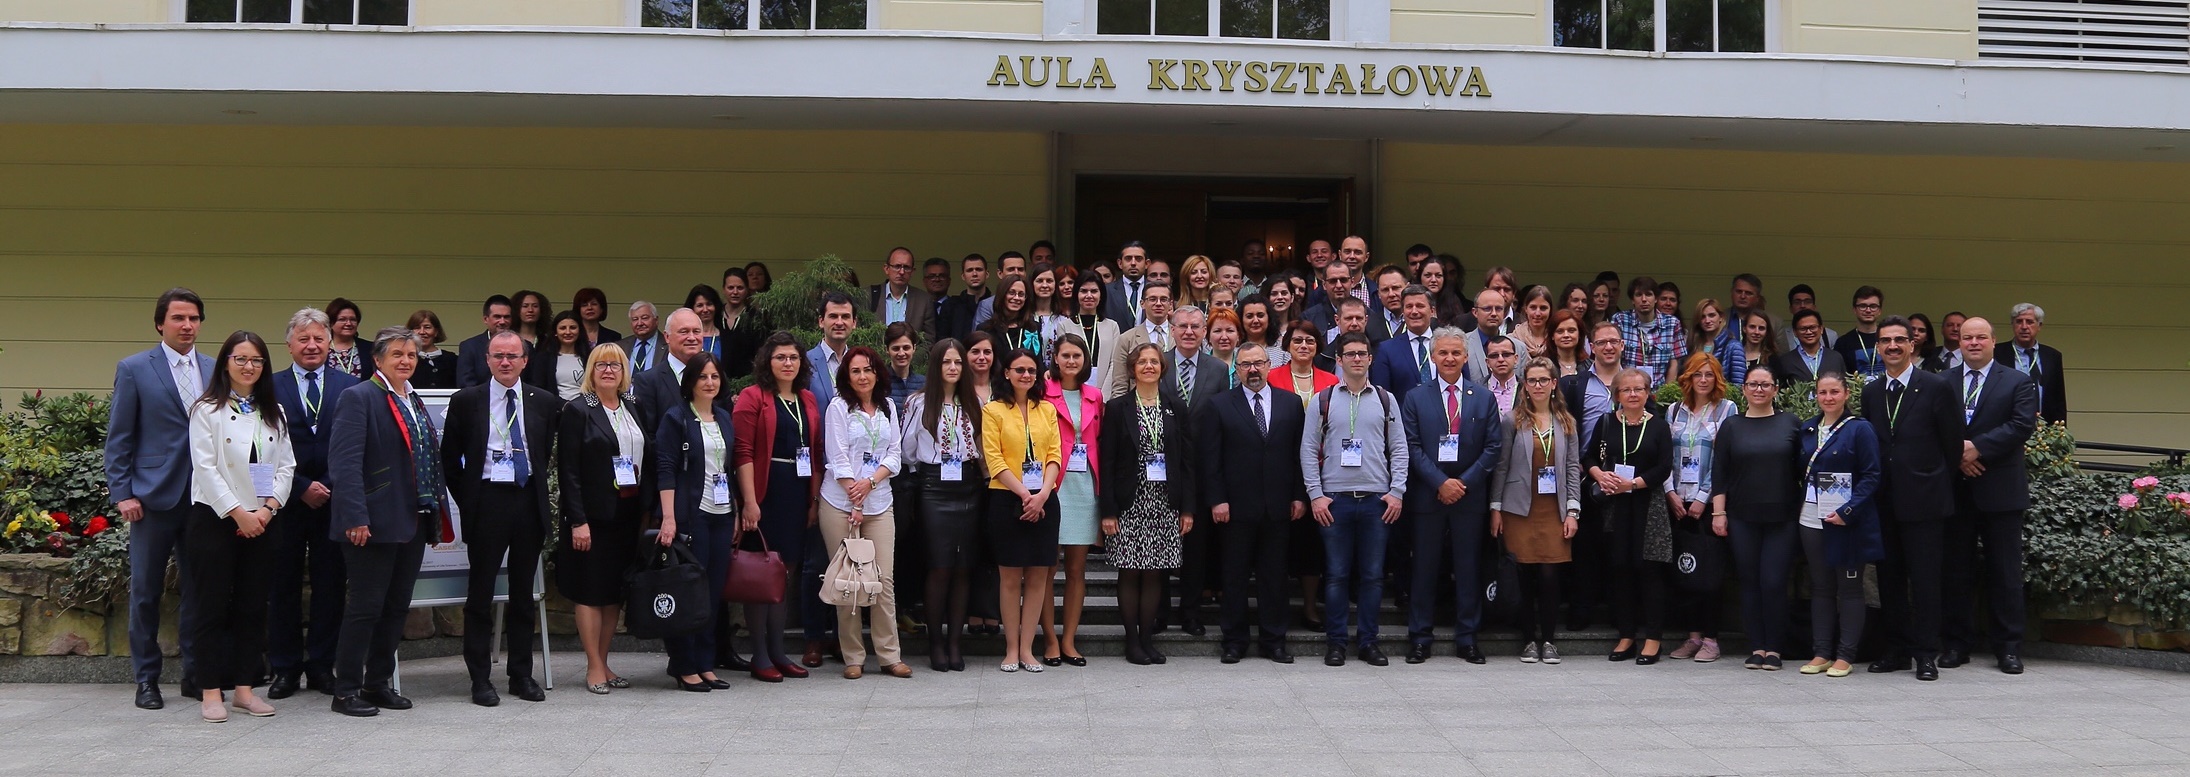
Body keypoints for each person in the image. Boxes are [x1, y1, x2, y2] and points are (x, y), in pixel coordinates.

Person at [326, 327, 445, 717]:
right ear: (377, 360)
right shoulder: (358, 397)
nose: (406, 361)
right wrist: (355, 517)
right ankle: (345, 690)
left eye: (411, 355)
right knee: (365, 608)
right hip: (371, 524)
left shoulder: (413, 399)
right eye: (397, 355)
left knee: (396, 608)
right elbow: (344, 464)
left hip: (410, 520)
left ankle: (377, 684)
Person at [438, 331, 556, 706]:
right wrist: (470, 503)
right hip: (487, 502)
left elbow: (546, 454)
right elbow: (449, 461)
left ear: (525, 361)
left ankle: (521, 675)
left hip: (527, 501)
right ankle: (479, 679)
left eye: (513, 356)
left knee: (523, 595)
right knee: (481, 594)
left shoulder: (544, 402)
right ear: (487, 360)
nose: (506, 362)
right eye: (498, 355)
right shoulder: (466, 401)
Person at [108, 288, 213, 711]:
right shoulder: (135, 368)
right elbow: (120, 437)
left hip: (204, 498)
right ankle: (147, 680)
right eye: (178, 318)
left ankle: (194, 674)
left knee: (199, 591)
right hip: (151, 499)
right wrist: (123, 493)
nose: (187, 325)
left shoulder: (214, 367)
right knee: (147, 592)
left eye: (193, 318)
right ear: (160, 324)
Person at [182, 330, 294, 723]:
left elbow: (285, 466)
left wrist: (268, 509)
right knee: (211, 607)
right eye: (241, 358)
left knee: (252, 606)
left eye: (257, 360)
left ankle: (245, 689)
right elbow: (205, 467)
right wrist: (238, 513)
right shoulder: (206, 410)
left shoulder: (272, 411)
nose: (249, 367)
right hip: (216, 519)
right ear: (225, 362)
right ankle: (211, 690)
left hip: (262, 520)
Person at [1864, 316, 1965, 682]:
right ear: (1877, 347)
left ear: (1912, 345)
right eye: (1885, 340)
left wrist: (1932, 480)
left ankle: (1925, 653)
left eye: (1899, 340)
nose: (1892, 346)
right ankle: (1897, 649)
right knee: (1889, 580)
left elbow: (1953, 446)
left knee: (1924, 581)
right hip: (1883, 501)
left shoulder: (1936, 387)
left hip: (1924, 501)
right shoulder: (1872, 391)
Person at [1301, 332, 1408, 667]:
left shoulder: (1387, 400)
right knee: (1335, 575)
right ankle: (1336, 643)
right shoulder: (1324, 399)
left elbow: (1400, 449)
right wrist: (1316, 495)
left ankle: (1368, 642)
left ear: (1370, 359)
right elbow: (1307, 450)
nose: (1357, 359)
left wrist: (1397, 492)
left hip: (1377, 500)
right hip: (1335, 501)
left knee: (1373, 575)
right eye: (1351, 354)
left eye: (1363, 353)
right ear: (1339, 359)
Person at [265, 309, 357, 700]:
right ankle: (285, 669)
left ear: (329, 342)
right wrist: (301, 485)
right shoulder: (269, 387)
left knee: (330, 586)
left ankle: (322, 665)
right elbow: (262, 449)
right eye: (303, 339)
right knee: (281, 585)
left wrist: (330, 485)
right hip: (284, 501)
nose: (312, 346)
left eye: (319, 338)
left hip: (334, 502)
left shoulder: (351, 386)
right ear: (289, 345)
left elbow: (357, 445)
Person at [1193, 343, 1304, 664]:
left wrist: (1299, 495)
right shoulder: (1219, 405)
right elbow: (1210, 459)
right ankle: (1234, 641)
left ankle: (1274, 641)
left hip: (1279, 506)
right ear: (1236, 370)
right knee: (1234, 576)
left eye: (1258, 363)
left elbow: (1299, 455)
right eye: (1245, 365)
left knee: (1274, 577)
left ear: (1269, 365)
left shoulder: (1291, 403)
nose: (1252, 370)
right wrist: (1217, 500)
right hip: (1235, 508)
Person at [1400, 327, 1502, 665]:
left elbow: (1492, 447)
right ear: (1433, 355)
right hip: (1429, 497)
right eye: (1443, 352)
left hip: (1469, 498)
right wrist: (1440, 482)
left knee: (1468, 568)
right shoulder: (1415, 396)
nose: (1449, 358)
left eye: (1456, 353)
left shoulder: (1482, 396)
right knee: (1424, 569)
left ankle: (1468, 638)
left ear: (1465, 356)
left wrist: (1463, 483)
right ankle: (1419, 637)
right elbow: (1411, 447)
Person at [1944, 317, 2039, 674]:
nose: (1972, 343)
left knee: (2004, 572)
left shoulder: (2018, 381)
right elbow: (1931, 425)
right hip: (1956, 490)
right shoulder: (1943, 382)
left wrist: (1977, 449)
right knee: (1955, 571)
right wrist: (1959, 456)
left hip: (2000, 491)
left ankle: (2008, 648)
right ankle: (1956, 644)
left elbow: (2020, 425)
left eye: (1980, 337)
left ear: (1993, 342)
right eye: (1966, 337)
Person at [556, 345, 653, 693]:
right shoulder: (578, 410)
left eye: (615, 365)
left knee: (613, 593)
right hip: (593, 517)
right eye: (601, 365)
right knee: (590, 592)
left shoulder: (634, 407)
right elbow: (568, 471)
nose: (608, 370)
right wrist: (577, 520)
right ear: (591, 372)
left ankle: (606, 661)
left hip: (627, 515)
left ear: (624, 371)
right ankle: (593, 666)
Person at [733, 333, 825, 682]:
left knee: (783, 574)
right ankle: (759, 655)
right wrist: (750, 503)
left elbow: (815, 453)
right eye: (780, 357)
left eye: (794, 357)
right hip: (765, 492)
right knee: (761, 574)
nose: (788, 363)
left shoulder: (808, 400)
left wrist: (813, 500)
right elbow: (741, 452)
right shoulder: (752, 397)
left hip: (797, 492)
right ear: (766, 362)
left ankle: (778, 651)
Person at [816, 347, 913, 680]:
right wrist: (855, 500)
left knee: (883, 580)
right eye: (855, 371)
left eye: (868, 370)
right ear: (847, 375)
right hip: (840, 504)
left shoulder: (887, 407)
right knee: (849, 582)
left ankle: (889, 656)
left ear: (877, 373)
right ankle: (853, 656)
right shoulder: (838, 407)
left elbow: (895, 455)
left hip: (879, 502)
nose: (862, 376)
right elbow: (837, 457)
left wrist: (871, 482)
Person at [1097, 343, 1193, 665]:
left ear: (1162, 368)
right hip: (1130, 502)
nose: (1149, 366)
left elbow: (1186, 462)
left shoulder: (1175, 407)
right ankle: (1132, 641)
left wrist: (1187, 508)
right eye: (1143, 361)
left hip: (1164, 502)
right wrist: (1108, 510)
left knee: (1155, 573)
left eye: (1155, 361)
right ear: (1132, 368)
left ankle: (1147, 638)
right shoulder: (1118, 407)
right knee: (1130, 572)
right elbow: (1107, 461)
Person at [655, 353, 739, 691]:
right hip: (692, 517)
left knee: (713, 593)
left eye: (715, 376)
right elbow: (665, 470)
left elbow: (728, 467)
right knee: (688, 591)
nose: (709, 382)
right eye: (702, 377)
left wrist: (735, 510)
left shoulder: (724, 417)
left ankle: (705, 662)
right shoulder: (675, 418)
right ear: (689, 382)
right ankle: (683, 664)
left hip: (722, 515)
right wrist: (669, 518)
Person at [1491, 358, 1583, 664]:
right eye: (1532, 381)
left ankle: (1549, 641)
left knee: (1549, 576)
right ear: (1524, 386)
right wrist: (1496, 508)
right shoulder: (1512, 420)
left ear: (1554, 383)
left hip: (1553, 509)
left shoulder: (1566, 421)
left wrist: (1573, 511)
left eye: (1544, 380)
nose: (1538, 386)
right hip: (1519, 508)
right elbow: (1501, 467)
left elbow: (1572, 469)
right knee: (1525, 576)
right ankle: (1528, 639)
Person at [1795, 372, 1886, 677]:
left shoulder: (1860, 429)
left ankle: (1845, 655)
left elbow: (1872, 475)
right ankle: (1821, 652)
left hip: (1847, 520)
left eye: (1835, 392)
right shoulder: (1807, 428)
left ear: (1847, 394)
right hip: (1811, 516)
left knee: (1849, 588)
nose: (1828, 398)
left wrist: (1848, 510)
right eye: (1823, 392)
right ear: (1816, 396)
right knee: (1820, 586)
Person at [1584, 368, 1675, 665]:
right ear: (1617, 394)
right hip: (1614, 505)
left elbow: (1664, 467)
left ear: (1648, 393)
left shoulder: (1659, 426)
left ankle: (1652, 638)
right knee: (1620, 568)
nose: (1633, 394)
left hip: (1647, 503)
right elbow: (1588, 457)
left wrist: (1633, 483)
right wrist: (1598, 474)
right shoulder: (1607, 422)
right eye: (1627, 390)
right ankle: (1626, 635)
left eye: (1639, 389)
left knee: (1648, 569)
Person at [902, 339, 982, 671]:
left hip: (968, 485)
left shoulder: (974, 401)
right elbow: (907, 450)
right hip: (934, 487)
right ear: (936, 366)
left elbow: (980, 444)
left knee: (963, 567)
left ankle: (954, 641)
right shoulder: (918, 403)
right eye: (947, 362)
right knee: (939, 566)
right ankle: (935, 642)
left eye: (958, 363)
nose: (952, 368)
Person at [982, 349, 1063, 672]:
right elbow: (994, 458)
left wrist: (1042, 494)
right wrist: (1024, 495)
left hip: (1044, 500)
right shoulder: (993, 410)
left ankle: (1028, 648)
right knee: (1011, 578)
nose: (1026, 375)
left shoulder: (1046, 409)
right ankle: (1011, 648)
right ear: (1007, 373)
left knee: (1038, 577)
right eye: (1020, 370)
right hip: (1007, 499)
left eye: (1032, 370)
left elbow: (1056, 454)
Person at [1663, 354, 1740, 664]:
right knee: (1685, 568)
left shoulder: (1727, 410)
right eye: (1698, 375)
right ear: (1688, 379)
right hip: (1677, 501)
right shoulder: (1673, 410)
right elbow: (1665, 455)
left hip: (1709, 504)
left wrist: (1703, 497)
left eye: (1709, 374)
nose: (1704, 380)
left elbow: (1724, 459)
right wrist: (1670, 492)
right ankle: (1692, 636)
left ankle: (1711, 638)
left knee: (1710, 575)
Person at [1557, 321, 1625, 629]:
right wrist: (1589, 470)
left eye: (1614, 341)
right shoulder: (1575, 384)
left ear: (1622, 345)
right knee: (1585, 548)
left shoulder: (1636, 382)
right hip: (1587, 475)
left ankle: (1618, 614)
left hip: (1627, 480)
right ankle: (1581, 612)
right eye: (1602, 342)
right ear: (1592, 348)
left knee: (1620, 548)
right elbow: (1568, 429)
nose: (1608, 347)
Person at [1039, 335, 1102, 667]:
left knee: (1077, 569)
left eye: (1077, 355)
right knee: (1048, 568)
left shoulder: (1095, 396)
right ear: (1056, 358)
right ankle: (1049, 640)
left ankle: (1069, 640)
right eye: (1065, 355)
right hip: (1053, 484)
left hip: (1084, 485)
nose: (1071, 361)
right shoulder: (1043, 394)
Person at [1103, 282, 1175, 399]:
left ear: (1170, 305)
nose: (1158, 304)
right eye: (1152, 299)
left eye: (1163, 299)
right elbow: (1120, 385)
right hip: (1138, 405)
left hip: (1173, 406)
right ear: (1142, 303)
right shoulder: (1127, 339)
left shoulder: (1180, 336)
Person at [1611, 278, 1686, 387]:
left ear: (1656, 299)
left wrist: (1666, 394)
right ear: (1632, 300)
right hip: (1628, 390)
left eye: (1648, 294)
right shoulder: (1621, 320)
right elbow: (1614, 358)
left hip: (1658, 392)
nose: (1644, 299)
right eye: (1638, 295)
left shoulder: (1672, 323)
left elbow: (1673, 364)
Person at [2000, 303, 2066, 424]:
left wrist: (2060, 434)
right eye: (2019, 321)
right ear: (2012, 325)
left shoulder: (2052, 356)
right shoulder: (1997, 354)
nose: (2024, 327)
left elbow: (2059, 400)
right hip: (2006, 428)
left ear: (2039, 326)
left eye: (2030, 322)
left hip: (2044, 430)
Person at [1371, 286, 1438, 397]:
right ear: (1403, 311)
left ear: (1432, 311)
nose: (1414, 311)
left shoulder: (1447, 345)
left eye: (1420, 306)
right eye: (1409, 307)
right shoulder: (1387, 350)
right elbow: (1382, 395)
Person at [1054, 276, 1119, 390]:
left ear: (1101, 295)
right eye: (1083, 291)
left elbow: (1115, 363)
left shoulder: (1112, 326)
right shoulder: (1064, 326)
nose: (1089, 296)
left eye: (1094, 291)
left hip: (1105, 393)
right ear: (1076, 295)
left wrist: (1103, 397)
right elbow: (1063, 361)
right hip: (1074, 390)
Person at [1464, 288, 1532, 384]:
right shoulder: (1462, 345)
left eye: (1499, 309)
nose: (1494, 313)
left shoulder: (1519, 347)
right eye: (1487, 309)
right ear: (1475, 312)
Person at [455, 295, 520, 388]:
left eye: (506, 317)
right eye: (497, 317)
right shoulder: (469, 347)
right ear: (486, 319)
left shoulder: (525, 346)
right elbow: (466, 384)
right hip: (481, 401)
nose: (502, 321)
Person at [1769, 310, 1849, 386]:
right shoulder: (1785, 361)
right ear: (1795, 332)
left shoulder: (1835, 357)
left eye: (1812, 327)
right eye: (1803, 329)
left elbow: (1844, 386)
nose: (1809, 332)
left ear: (1821, 329)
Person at [869, 247, 935, 335]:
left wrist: (909, 349)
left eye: (907, 267)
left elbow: (928, 339)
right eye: (897, 266)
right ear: (886, 269)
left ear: (912, 271)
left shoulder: (924, 300)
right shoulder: (869, 295)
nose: (902, 272)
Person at [527, 310, 591, 400]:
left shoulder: (590, 357)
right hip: (555, 410)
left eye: (573, 327)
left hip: (584, 410)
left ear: (580, 331)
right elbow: (539, 388)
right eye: (563, 328)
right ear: (555, 332)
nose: (568, 332)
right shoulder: (544, 358)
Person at [1274, 320, 1339, 402]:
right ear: (1288, 345)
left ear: (1317, 346)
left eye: (1310, 341)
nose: (1304, 346)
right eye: (1298, 341)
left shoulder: (1331, 380)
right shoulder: (1271, 377)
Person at [1835, 286, 1889, 378]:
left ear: (1880, 310)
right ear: (1854, 310)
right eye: (1863, 306)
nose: (1868, 310)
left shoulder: (1890, 339)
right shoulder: (1843, 343)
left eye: (1873, 306)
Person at [719, 269, 762, 380]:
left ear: (747, 289)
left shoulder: (756, 318)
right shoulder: (715, 316)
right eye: (730, 288)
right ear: (724, 289)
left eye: (740, 288)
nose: (735, 292)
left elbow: (761, 354)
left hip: (746, 382)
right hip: (716, 380)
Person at [981, 276, 1042, 356]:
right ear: (1002, 294)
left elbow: (1038, 361)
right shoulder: (986, 329)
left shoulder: (1033, 327)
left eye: (1021, 294)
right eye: (1011, 293)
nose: (1016, 298)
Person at [936, 253, 990, 342]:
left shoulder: (995, 304)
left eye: (979, 269)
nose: (974, 274)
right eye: (969, 270)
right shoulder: (950, 305)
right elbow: (943, 339)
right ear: (963, 276)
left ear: (987, 274)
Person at [972, 251, 1030, 330]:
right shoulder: (987, 305)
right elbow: (980, 338)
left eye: (1020, 269)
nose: (1016, 273)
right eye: (1011, 269)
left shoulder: (1030, 301)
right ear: (1000, 273)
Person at [1689, 298, 1742, 381]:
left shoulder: (1733, 346)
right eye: (1702, 317)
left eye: (1712, 315)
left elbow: (1738, 384)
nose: (1707, 320)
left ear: (1721, 317)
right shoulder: (1693, 344)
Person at [1779, 284, 1840, 355]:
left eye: (1807, 301)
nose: (1802, 306)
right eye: (1797, 302)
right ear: (1790, 308)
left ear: (1814, 307)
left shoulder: (1830, 335)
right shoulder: (1782, 335)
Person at [407, 310, 457, 390]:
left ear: (436, 332)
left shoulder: (452, 360)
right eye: (417, 328)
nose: (422, 332)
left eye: (427, 327)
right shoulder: (406, 360)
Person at [682, 284, 727, 362]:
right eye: (700, 305)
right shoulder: (686, 338)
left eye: (709, 304)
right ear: (692, 308)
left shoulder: (727, 337)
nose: (705, 309)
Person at [325, 298, 367, 379]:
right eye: (342, 319)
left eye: (353, 319)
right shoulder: (321, 349)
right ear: (330, 323)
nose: (348, 323)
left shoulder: (370, 349)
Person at [1482, 337, 1521, 415]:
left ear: (1516, 359)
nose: (1500, 359)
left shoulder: (1527, 388)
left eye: (1506, 354)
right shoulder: (1477, 390)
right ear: (1487, 362)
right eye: (1494, 356)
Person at [625, 301, 666, 374]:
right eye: (635, 319)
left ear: (656, 320)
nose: (639, 323)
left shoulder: (668, 346)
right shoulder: (622, 346)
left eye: (644, 318)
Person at [1739, 310, 1777, 384]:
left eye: (1761, 328)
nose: (1756, 332)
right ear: (1744, 329)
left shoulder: (1773, 359)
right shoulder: (1734, 355)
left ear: (1766, 332)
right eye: (1752, 327)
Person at [1546, 311, 1587, 378]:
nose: (1566, 335)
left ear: (1579, 334)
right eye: (1560, 331)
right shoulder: (1542, 366)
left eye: (1571, 330)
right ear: (1552, 336)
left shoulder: (1591, 366)